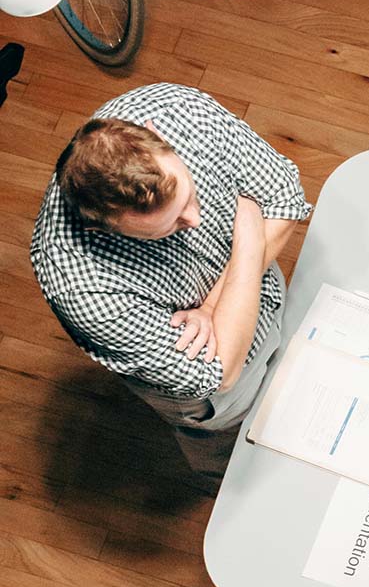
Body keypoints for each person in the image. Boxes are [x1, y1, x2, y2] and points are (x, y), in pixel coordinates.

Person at [29, 83, 312, 483]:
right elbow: (219, 373)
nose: (193, 220)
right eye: (169, 226)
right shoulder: (79, 286)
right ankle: (221, 483)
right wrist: (248, 234)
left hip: (267, 301)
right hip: (224, 396)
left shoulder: (178, 110)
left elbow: (285, 196)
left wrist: (214, 306)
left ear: (159, 138)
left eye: (189, 197)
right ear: (100, 229)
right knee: (232, 451)